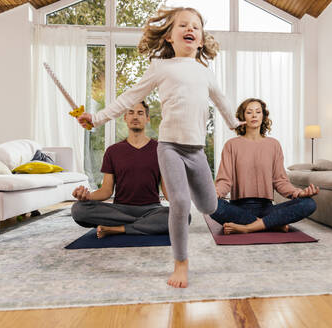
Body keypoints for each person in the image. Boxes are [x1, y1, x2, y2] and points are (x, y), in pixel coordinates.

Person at [76, 7, 244, 288]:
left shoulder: (206, 73)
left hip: (197, 151)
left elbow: (222, 100)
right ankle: (181, 263)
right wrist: (97, 117)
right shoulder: (161, 67)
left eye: (195, 27)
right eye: (183, 25)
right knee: (179, 202)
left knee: (209, 205)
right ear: (169, 36)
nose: (190, 29)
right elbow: (130, 96)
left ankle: (189, 189)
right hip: (170, 148)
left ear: (201, 40)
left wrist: (234, 122)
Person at [71, 101, 183, 239]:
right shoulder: (112, 151)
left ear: (147, 118)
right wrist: (87, 197)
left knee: (183, 216)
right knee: (78, 209)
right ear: (125, 117)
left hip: (151, 209)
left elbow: (167, 191)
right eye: (131, 112)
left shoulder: (161, 150)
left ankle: (118, 229)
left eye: (140, 113)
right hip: (120, 210)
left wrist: (181, 201)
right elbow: (106, 191)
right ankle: (142, 226)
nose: (135, 116)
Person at [210, 98, 319, 234]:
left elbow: (280, 181)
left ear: (263, 116)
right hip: (238, 208)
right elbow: (224, 180)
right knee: (211, 206)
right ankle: (272, 224)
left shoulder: (274, 145)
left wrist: (299, 193)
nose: (254, 115)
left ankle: (248, 227)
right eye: (249, 112)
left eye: (258, 112)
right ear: (243, 117)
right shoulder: (231, 145)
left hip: (267, 208)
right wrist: (215, 193)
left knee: (309, 203)